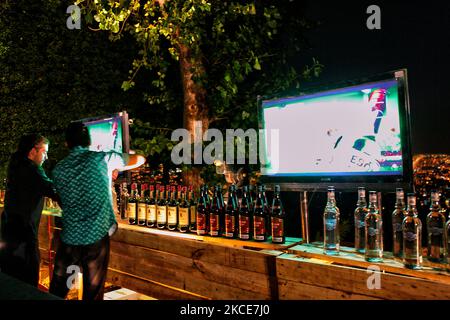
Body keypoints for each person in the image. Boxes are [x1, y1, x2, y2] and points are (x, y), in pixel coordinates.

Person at [49, 122, 145, 300]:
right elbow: (139, 160)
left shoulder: (58, 169)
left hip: (69, 239)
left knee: (58, 290)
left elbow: (64, 200)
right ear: (89, 142)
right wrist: (115, 167)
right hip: (95, 239)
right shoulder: (103, 159)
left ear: (66, 144)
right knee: (92, 293)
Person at [0, 133, 59, 287]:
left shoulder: (14, 164)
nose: (46, 157)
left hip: (8, 232)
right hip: (24, 236)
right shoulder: (32, 169)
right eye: (44, 152)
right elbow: (53, 190)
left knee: (10, 281)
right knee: (28, 280)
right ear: (33, 151)